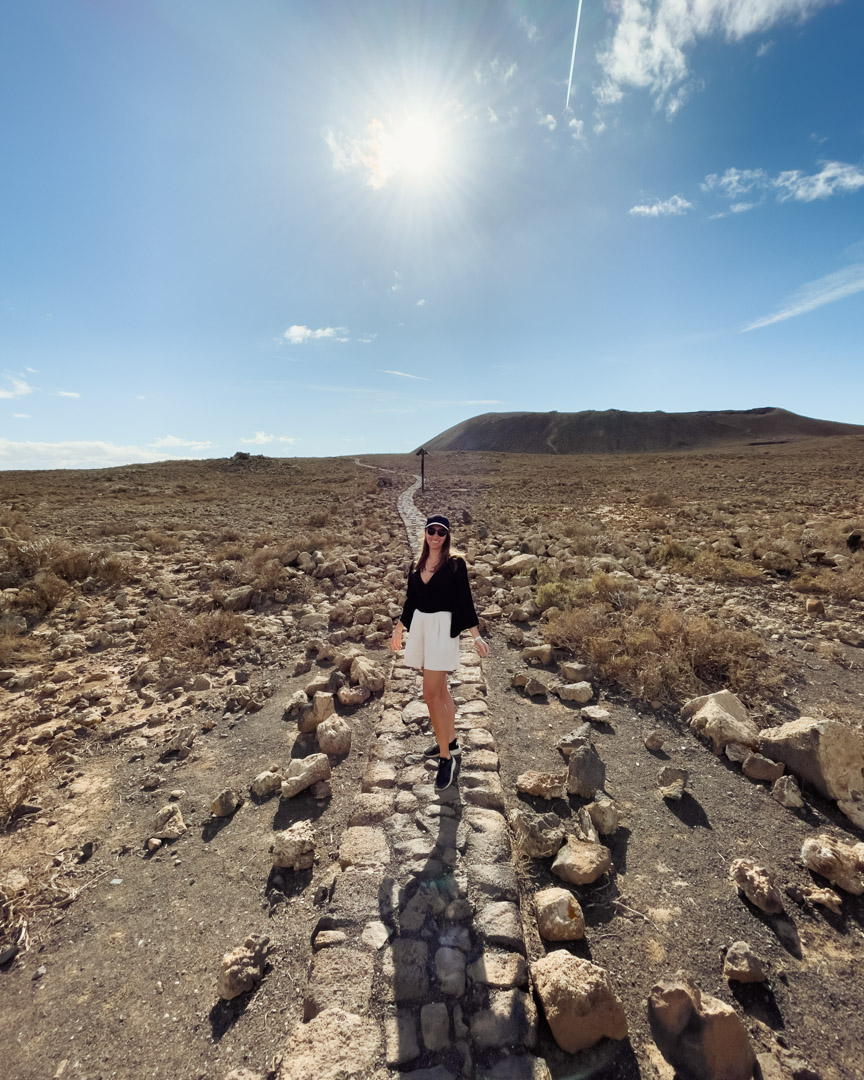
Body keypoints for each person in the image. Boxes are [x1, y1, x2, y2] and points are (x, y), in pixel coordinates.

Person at [390, 514, 489, 791]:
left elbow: (464, 600)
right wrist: (399, 630)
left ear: (447, 536)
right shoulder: (417, 563)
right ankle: (450, 743)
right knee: (441, 692)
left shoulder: (455, 564)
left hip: (442, 629)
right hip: (421, 627)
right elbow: (412, 602)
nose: (435, 536)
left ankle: (447, 759)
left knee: (430, 694)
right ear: (424, 533)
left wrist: (475, 635)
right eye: (431, 531)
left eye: (441, 532)